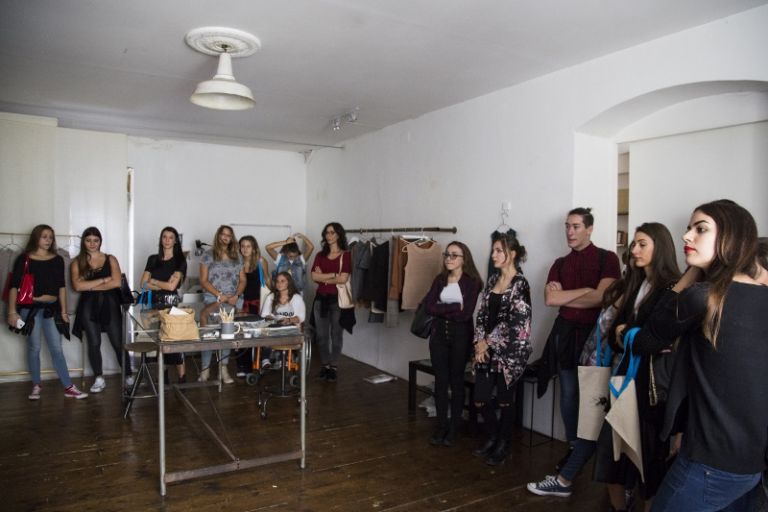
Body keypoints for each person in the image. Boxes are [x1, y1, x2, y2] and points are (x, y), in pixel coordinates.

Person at [634, 200, 767, 512]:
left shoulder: (704, 297)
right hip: (752, 463)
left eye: (700, 229)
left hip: (711, 462)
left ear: (731, 237)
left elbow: (647, 339)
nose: (686, 236)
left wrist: (692, 271)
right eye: (689, 228)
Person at [536, 207, 621, 471]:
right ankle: (573, 445)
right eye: (567, 226)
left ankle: (592, 448)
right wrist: (586, 290)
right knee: (569, 394)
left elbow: (602, 298)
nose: (570, 232)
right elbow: (551, 299)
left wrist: (572, 296)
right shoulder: (559, 264)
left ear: (589, 228)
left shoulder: (608, 259)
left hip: (594, 336)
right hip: (564, 334)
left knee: (594, 394)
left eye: (575, 226)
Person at [6, 224, 88, 400]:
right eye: (44, 236)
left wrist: (64, 312)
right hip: (31, 310)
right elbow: (14, 287)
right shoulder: (24, 258)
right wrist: (12, 312)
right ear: (36, 237)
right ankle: (36, 385)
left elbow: (61, 287)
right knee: (34, 347)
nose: (48, 240)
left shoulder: (57, 259)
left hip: (51, 309)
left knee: (57, 349)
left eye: (50, 237)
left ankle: (68, 386)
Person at [472, 231, 532, 464]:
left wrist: (488, 341)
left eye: (499, 250)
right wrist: (479, 343)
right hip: (485, 349)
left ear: (512, 254)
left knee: (506, 401)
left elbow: (516, 322)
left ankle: (503, 444)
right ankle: (493, 436)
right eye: (493, 250)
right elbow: (481, 315)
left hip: (510, 353)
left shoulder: (520, 284)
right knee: (481, 398)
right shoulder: (491, 281)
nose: (493, 254)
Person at [422, 241, 482, 447]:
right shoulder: (440, 280)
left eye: (454, 255)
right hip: (438, 337)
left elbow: (465, 315)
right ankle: (441, 425)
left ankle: (454, 427)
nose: (449, 258)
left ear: (464, 259)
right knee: (440, 381)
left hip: (460, 338)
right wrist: (455, 305)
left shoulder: (472, 282)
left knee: (456, 383)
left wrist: (444, 307)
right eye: (447, 254)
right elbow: (429, 307)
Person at [71, 226, 130, 394]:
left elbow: (117, 282)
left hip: (110, 303)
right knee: (94, 342)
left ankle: (128, 375)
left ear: (100, 241)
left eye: (95, 240)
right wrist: (104, 280)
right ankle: (99, 378)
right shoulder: (77, 262)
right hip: (88, 305)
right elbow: (77, 286)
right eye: (88, 240)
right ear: (83, 241)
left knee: (118, 342)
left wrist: (88, 285)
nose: (92, 244)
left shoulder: (110, 259)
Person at [139, 227, 187, 383]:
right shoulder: (153, 259)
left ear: (175, 240)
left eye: (170, 237)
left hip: (171, 304)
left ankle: (182, 377)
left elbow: (172, 287)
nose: (167, 240)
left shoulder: (180, 260)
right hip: (153, 304)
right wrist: (162, 284)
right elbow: (143, 284)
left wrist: (154, 281)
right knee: (159, 341)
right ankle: (163, 375)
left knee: (174, 340)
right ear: (161, 239)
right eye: (164, 237)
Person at [198, 225, 246, 384]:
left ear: (232, 238)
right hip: (213, 299)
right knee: (209, 334)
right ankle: (205, 370)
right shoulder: (208, 255)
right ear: (218, 236)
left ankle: (223, 369)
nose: (225, 237)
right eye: (223, 234)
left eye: (229, 235)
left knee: (227, 334)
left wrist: (236, 295)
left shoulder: (237, 256)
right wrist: (219, 295)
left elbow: (243, 280)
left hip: (231, 300)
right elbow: (203, 280)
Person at [310, 222, 351, 382]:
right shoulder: (320, 255)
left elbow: (343, 278)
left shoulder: (345, 255)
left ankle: (333, 367)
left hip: (338, 301)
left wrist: (324, 277)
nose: (329, 235)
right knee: (321, 336)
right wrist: (333, 275)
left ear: (339, 235)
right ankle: (325, 366)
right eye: (326, 233)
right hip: (321, 300)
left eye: (332, 232)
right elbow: (314, 277)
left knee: (336, 334)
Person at [238, 235, 271, 375]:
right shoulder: (237, 263)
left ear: (254, 248)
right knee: (242, 335)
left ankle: (258, 363)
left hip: (259, 303)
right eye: (243, 246)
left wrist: (279, 294)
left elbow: (267, 280)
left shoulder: (260, 261)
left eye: (248, 246)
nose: (245, 249)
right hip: (242, 303)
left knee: (258, 333)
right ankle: (243, 367)